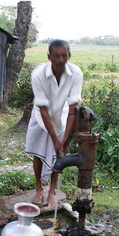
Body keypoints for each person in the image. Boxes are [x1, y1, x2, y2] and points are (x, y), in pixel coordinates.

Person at [25, 39, 83, 206]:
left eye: (64, 56)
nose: (60, 60)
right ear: (49, 56)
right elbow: (43, 109)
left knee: (58, 154)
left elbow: (73, 107)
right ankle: (38, 189)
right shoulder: (38, 74)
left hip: (62, 115)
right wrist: (55, 140)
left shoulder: (76, 73)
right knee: (38, 153)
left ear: (69, 56)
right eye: (56, 56)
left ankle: (51, 191)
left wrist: (65, 139)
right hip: (40, 117)